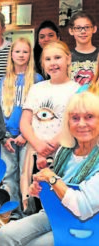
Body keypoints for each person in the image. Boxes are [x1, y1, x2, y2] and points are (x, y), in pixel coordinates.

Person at [0, 91, 99, 246]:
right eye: (75, 118)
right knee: (5, 235)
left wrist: (52, 179)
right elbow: (56, 195)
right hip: (54, 216)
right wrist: (39, 191)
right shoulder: (65, 151)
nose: (81, 124)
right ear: (67, 123)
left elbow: (83, 206)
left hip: (88, 226)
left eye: (89, 117)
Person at [19, 41, 79, 212]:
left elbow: (75, 122)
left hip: (63, 153)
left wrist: (54, 143)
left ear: (68, 59)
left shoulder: (77, 90)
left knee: (59, 199)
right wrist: (38, 145)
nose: (53, 63)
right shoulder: (37, 89)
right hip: (36, 154)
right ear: (42, 63)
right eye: (48, 59)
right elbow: (25, 122)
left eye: (57, 58)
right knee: (36, 197)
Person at [0, 38, 44, 220]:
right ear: (11, 54)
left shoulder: (37, 79)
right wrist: (3, 136)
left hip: (28, 135)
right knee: (9, 174)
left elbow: (39, 111)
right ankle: (15, 211)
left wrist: (26, 134)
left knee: (26, 174)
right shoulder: (5, 80)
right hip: (7, 136)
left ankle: (27, 212)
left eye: (25, 52)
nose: (21, 55)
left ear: (30, 55)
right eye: (17, 51)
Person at [68, 11, 98, 86]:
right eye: (78, 28)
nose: (83, 31)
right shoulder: (66, 56)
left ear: (94, 29)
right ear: (71, 31)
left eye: (87, 27)